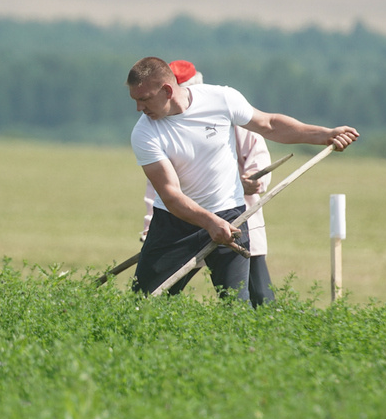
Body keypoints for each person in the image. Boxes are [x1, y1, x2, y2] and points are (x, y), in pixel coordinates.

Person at [127, 56, 358, 303]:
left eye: (144, 99)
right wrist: (209, 222)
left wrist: (325, 135)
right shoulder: (144, 133)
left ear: (167, 90)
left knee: (237, 306)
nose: (139, 109)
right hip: (175, 224)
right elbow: (171, 195)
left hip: (230, 216)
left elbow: (269, 124)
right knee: (143, 304)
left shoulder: (221, 99)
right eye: (135, 100)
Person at [140, 60, 277, 305]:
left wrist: (250, 182)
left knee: (253, 297)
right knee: (157, 295)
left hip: (235, 219)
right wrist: (150, 226)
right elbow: (162, 190)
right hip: (184, 223)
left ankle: (261, 338)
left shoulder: (229, 114)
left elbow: (259, 160)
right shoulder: (155, 130)